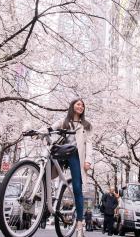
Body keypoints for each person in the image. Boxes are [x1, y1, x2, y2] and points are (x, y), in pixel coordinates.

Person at [50, 99, 93, 237]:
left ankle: (80, 225)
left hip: (76, 155)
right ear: (72, 106)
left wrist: (88, 161)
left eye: (82, 105)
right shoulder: (65, 121)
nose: (80, 106)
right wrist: (38, 132)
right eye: (78, 104)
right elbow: (51, 128)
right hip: (63, 152)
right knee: (47, 160)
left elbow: (89, 145)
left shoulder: (86, 125)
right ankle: (44, 192)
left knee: (77, 188)